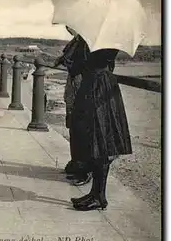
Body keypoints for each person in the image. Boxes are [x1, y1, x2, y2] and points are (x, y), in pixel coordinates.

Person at [69, 46, 132, 211]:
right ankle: (96, 193)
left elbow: (77, 67)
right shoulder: (109, 41)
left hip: (96, 89)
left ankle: (98, 196)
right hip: (103, 86)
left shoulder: (96, 43)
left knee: (100, 142)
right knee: (100, 142)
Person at [54, 26, 90, 185]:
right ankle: (76, 164)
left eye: (70, 26)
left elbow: (80, 64)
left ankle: (84, 169)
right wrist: (62, 59)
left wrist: (66, 60)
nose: (68, 28)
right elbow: (68, 58)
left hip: (81, 88)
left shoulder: (86, 42)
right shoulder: (77, 41)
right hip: (74, 86)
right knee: (74, 125)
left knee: (82, 127)